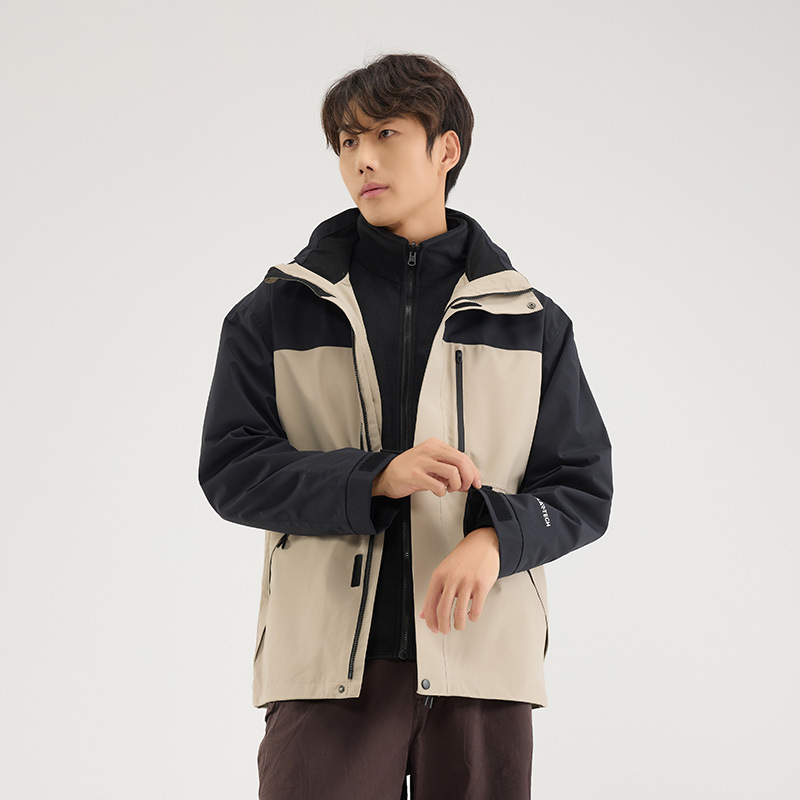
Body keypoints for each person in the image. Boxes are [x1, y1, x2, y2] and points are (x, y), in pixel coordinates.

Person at [198, 52, 613, 800]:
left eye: (385, 133)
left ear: (446, 149)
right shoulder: (277, 312)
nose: (362, 159)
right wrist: (375, 476)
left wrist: (495, 540)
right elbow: (233, 471)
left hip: (480, 664)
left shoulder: (529, 322)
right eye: (346, 142)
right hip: (328, 672)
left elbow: (582, 487)